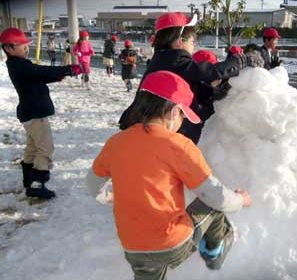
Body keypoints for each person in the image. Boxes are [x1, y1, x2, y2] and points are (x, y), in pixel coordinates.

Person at [86, 70, 252, 280]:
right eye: (183, 115)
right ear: (174, 112)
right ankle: (214, 253)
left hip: (133, 247)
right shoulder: (178, 145)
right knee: (211, 207)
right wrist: (241, 199)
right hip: (172, 243)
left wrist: (109, 197)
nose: (182, 120)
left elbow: (93, 185)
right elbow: (215, 197)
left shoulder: (116, 143)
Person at [119, 12, 264, 144]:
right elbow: (210, 72)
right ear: (179, 41)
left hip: (152, 127)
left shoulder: (162, 59)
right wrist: (240, 61)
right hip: (167, 132)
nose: (194, 46)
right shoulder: (175, 59)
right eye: (192, 41)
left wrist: (216, 92)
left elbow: (191, 86)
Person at [0, 27, 82, 199]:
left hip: (29, 113)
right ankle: (37, 184)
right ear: (8, 48)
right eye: (21, 45)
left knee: (32, 147)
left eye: (26, 45)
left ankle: (28, 180)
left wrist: (61, 75)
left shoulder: (18, 65)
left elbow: (40, 75)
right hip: (35, 114)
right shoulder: (19, 66)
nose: (26, 48)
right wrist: (66, 70)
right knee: (45, 148)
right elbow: (40, 72)